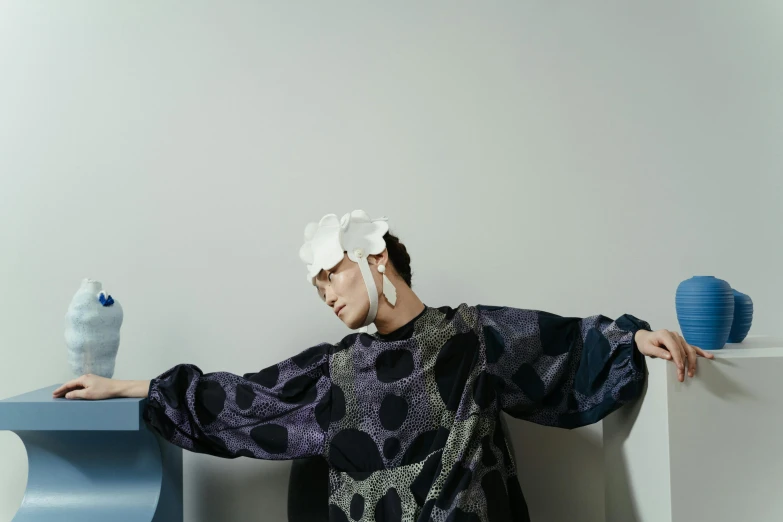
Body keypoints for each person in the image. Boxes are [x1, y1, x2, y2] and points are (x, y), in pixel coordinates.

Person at [52, 210, 713, 522]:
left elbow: (564, 347)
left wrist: (630, 342)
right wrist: (127, 386)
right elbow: (242, 400)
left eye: (332, 273)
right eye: (317, 286)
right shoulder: (336, 371)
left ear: (375, 259)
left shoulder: (473, 336)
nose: (326, 291)